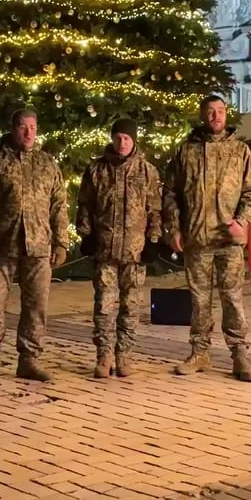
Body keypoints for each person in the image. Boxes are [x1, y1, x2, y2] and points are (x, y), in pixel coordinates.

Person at [162, 94, 251, 381]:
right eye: (210, 112)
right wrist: (175, 228)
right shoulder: (186, 152)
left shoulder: (240, 151)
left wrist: (242, 221)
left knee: (232, 299)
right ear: (202, 115)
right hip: (196, 240)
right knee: (199, 300)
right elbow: (170, 193)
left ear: (226, 114)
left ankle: (239, 354)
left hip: (228, 241)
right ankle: (200, 352)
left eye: (220, 111)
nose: (216, 116)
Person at [0, 108, 69, 385]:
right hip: (2, 245)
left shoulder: (47, 164)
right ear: (13, 129)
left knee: (36, 305)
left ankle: (29, 359)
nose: (28, 133)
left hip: (38, 246)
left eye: (33, 128)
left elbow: (59, 205)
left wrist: (61, 241)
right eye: (23, 127)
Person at [77, 118, 162, 379]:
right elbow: (84, 205)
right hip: (105, 251)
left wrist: (153, 240)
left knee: (130, 306)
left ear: (134, 140)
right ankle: (104, 355)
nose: (122, 142)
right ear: (112, 139)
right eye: (118, 138)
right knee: (103, 306)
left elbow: (155, 210)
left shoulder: (147, 172)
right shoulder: (97, 170)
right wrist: (86, 234)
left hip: (134, 253)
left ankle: (124, 355)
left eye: (127, 138)